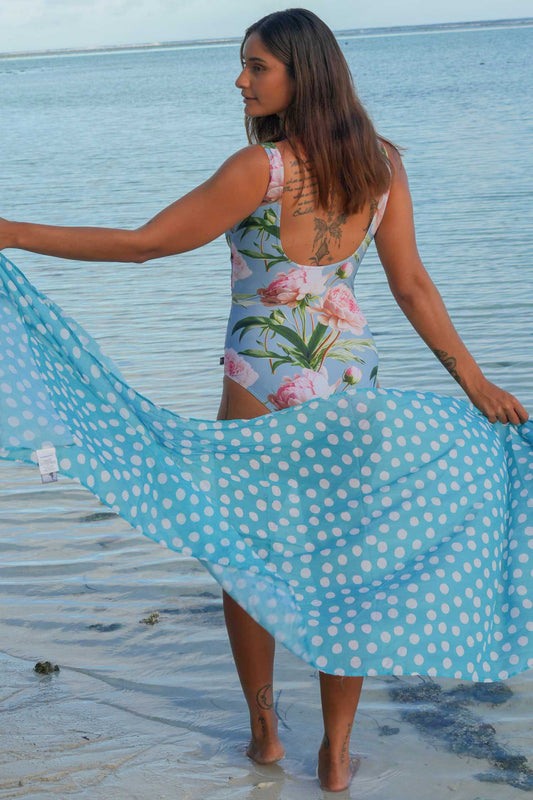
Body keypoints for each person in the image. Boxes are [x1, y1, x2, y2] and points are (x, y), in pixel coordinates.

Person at [0, 8, 530, 793]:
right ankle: (338, 757)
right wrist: (473, 382)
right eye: (244, 65)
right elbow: (412, 285)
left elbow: (147, 243)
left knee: (249, 561)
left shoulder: (262, 169)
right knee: (347, 566)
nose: (240, 80)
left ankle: (265, 736)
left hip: (260, 388)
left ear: (299, 74)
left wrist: (11, 231)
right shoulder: (381, 164)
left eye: (256, 66)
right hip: (353, 390)